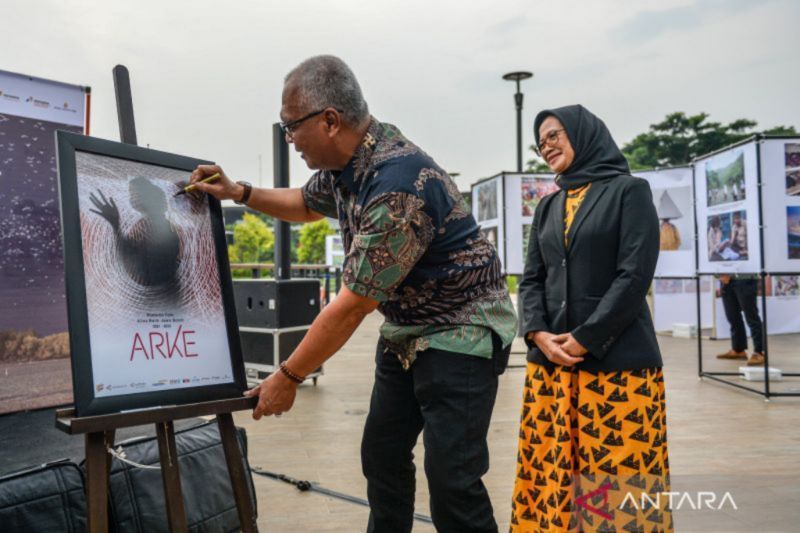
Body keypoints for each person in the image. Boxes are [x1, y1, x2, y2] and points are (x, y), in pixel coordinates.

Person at [190, 55, 516, 533]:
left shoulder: (396, 184)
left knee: (452, 477)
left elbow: (352, 306)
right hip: (408, 328)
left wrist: (288, 376)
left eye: (290, 127)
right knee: (382, 454)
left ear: (329, 120)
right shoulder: (349, 164)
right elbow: (304, 202)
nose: (289, 140)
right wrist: (239, 191)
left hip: (462, 329)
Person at [512, 105, 673, 532]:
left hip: (617, 370)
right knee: (553, 479)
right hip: (552, 369)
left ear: (583, 134)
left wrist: (586, 337)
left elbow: (634, 275)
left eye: (553, 135)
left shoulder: (629, 191)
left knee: (617, 489)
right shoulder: (548, 207)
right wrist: (537, 333)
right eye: (540, 140)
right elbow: (531, 280)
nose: (546, 145)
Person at [715, 274, 765, 365]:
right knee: (732, 317)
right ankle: (738, 350)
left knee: (751, 317)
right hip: (726, 282)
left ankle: (759, 352)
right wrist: (720, 275)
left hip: (745, 278)